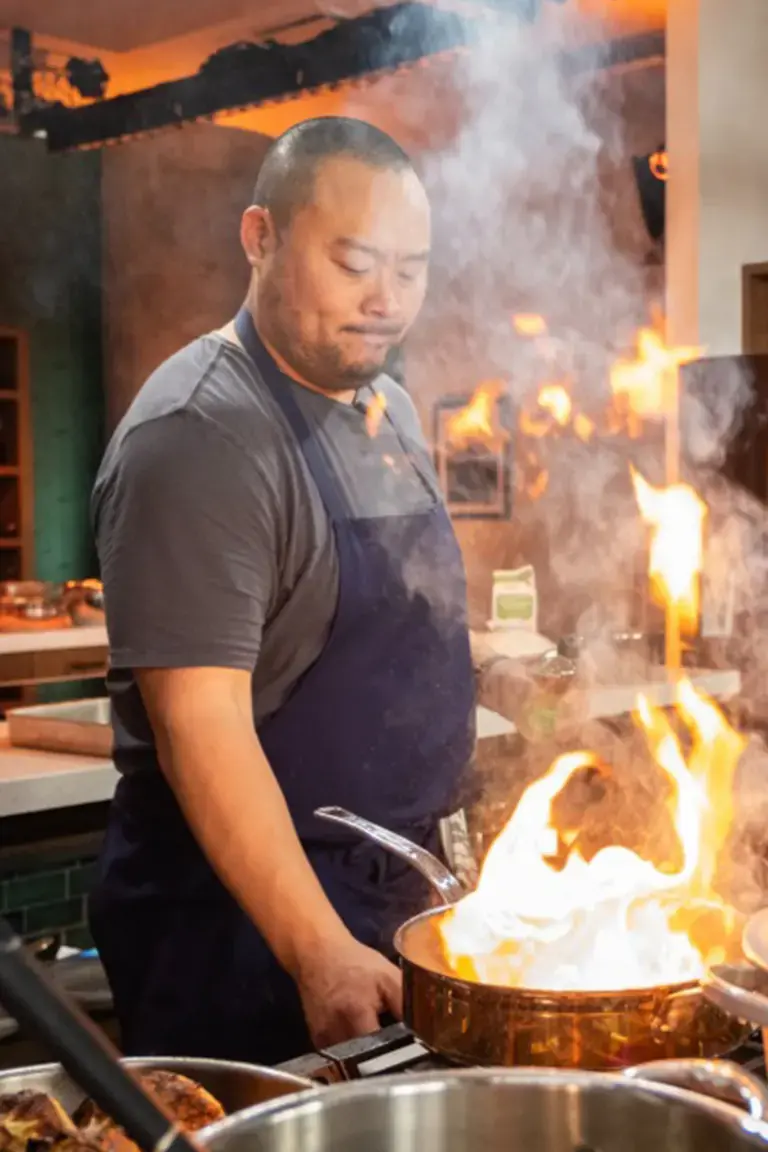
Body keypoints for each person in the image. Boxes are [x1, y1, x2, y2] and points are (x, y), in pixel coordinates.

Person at [90, 116, 572, 1065]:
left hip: (391, 899)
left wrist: (506, 679)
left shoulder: (381, 408)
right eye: (354, 263)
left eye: (412, 268)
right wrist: (315, 950)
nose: (387, 301)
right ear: (259, 238)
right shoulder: (199, 437)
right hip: (246, 929)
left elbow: (395, 618)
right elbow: (202, 725)